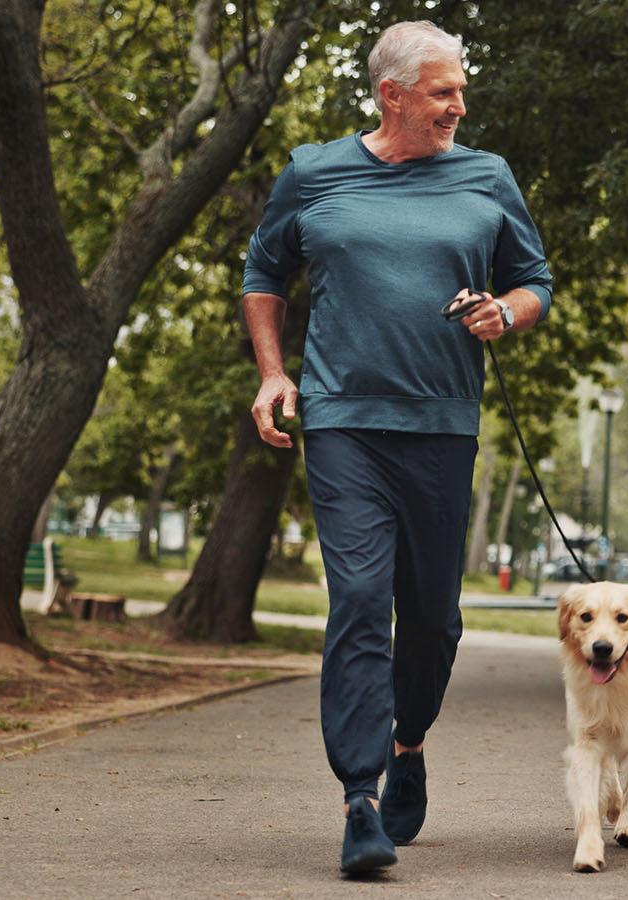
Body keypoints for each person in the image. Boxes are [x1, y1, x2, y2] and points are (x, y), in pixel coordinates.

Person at [241, 20, 553, 875]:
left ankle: (407, 742)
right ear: (392, 95)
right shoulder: (314, 172)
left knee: (431, 619)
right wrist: (274, 374)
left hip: (443, 425)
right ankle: (360, 798)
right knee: (358, 602)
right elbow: (263, 274)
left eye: (460, 91)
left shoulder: (487, 176)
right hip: (343, 422)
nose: (460, 106)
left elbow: (535, 281)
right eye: (444, 92)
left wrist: (506, 312)